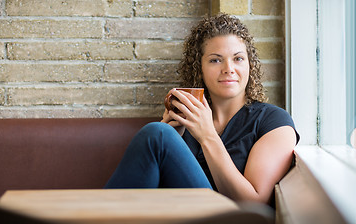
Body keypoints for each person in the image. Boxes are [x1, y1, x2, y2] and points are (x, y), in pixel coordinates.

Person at [105, 13, 300, 205]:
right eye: (216, 60)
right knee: (160, 134)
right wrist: (172, 139)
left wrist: (207, 136)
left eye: (238, 58)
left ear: (250, 64)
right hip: (174, 219)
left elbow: (253, 203)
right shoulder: (189, 118)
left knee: (157, 134)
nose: (229, 68)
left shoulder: (273, 121)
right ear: (200, 68)